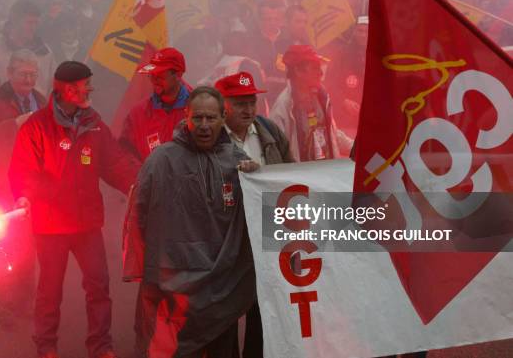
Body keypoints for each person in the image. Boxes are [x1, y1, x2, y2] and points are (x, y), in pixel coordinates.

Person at [9, 61, 140, 358]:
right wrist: (23, 197)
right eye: (86, 85)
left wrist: (138, 184)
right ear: (69, 90)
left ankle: (100, 346)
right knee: (50, 290)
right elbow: (23, 171)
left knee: (98, 287)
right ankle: (46, 346)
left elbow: (115, 163)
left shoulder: (94, 124)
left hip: (87, 224)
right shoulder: (36, 126)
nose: (90, 90)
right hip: (50, 225)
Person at [124, 86, 259, 358]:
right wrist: (149, 272)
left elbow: (257, 223)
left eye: (211, 118)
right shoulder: (160, 161)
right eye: (198, 118)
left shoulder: (239, 163)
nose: (204, 126)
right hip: (173, 294)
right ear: (186, 117)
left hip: (222, 292)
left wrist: (257, 181)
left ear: (223, 117)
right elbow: (136, 219)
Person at [215, 71, 295, 358]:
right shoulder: (209, 136)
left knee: (262, 310)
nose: (249, 109)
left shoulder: (269, 132)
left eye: (252, 102)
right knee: (224, 314)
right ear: (223, 104)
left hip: (265, 236)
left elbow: (291, 175)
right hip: (225, 240)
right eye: (240, 103)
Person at [0, 49, 46, 327]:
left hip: (28, 187)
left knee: (27, 247)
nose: (29, 79)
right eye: (24, 74)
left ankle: (23, 303)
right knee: (1, 247)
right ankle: (2, 304)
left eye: (34, 74)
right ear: (9, 73)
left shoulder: (40, 100)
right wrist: (14, 125)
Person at [0, 0, 57, 110]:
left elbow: (53, 92)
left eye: (36, 23)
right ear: (14, 22)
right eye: (29, 23)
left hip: (37, 123)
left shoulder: (45, 53)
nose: (33, 27)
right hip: (0, 121)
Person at [270, 45, 353, 161]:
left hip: (326, 173)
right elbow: (276, 153)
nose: (320, 73)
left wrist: (356, 147)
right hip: (302, 176)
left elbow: (331, 133)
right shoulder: (282, 108)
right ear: (298, 71)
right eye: (315, 67)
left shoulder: (321, 97)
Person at [119, 47, 192, 161]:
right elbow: (125, 155)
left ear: (178, 74)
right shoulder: (137, 114)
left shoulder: (200, 110)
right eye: (152, 74)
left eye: (160, 75)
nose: (154, 80)